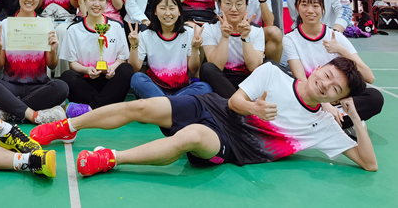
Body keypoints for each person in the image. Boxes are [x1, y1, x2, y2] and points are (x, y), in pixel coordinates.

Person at [30, 57, 377, 175]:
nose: (325, 84)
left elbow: (369, 163)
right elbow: (236, 103)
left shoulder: (323, 126)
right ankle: (68, 126)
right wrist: (254, 108)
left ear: (339, 97)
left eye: (335, 88)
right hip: (216, 107)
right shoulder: (273, 73)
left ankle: (110, 159)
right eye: (327, 75)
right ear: (320, 67)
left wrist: (354, 119)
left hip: (233, 144)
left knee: (192, 137)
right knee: (143, 107)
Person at [282, 0, 383, 135]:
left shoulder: (336, 37)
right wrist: (324, 104)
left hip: (336, 98)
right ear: (297, 7)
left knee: (375, 98)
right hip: (312, 98)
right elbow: (301, 79)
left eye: (315, 6)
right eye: (304, 5)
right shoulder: (290, 39)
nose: (310, 10)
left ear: (323, 9)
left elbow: (369, 77)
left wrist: (340, 50)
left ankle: (326, 123)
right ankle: (338, 123)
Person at [0, 0, 70, 124]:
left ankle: (9, 110)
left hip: (38, 86)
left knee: (62, 87)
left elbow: (52, 65)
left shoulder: (46, 24)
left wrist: (53, 50)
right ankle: (35, 114)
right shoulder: (6, 24)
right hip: (10, 86)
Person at [59, 0, 134, 118]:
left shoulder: (116, 26)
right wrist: (87, 70)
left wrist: (112, 68)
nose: (96, 4)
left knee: (126, 70)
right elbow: (72, 63)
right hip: (86, 82)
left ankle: (90, 110)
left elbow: (121, 58)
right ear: (84, 1)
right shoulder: (74, 29)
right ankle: (107, 110)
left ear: (106, 2)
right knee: (67, 76)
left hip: (110, 82)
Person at [128, 0, 212, 98]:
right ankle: (173, 104)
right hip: (155, 88)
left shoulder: (189, 33)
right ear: (155, 11)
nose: (168, 13)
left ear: (179, 11)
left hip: (182, 89)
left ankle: (164, 104)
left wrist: (195, 48)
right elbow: (135, 68)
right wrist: (134, 46)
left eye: (172, 8)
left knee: (205, 87)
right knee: (137, 78)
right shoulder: (145, 35)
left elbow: (193, 69)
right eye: (163, 8)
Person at [200, 0, 265, 98]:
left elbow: (254, 66)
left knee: (269, 66)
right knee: (207, 68)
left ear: (246, 6)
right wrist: (225, 36)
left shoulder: (257, 30)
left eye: (239, 4)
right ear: (220, 5)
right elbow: (217, 66)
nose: (234, 9)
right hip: (221, 79)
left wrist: (245, 37)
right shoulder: (209, 28)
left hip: (248, 80)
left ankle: (237, 102)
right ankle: (239, 103)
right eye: (228, 3)